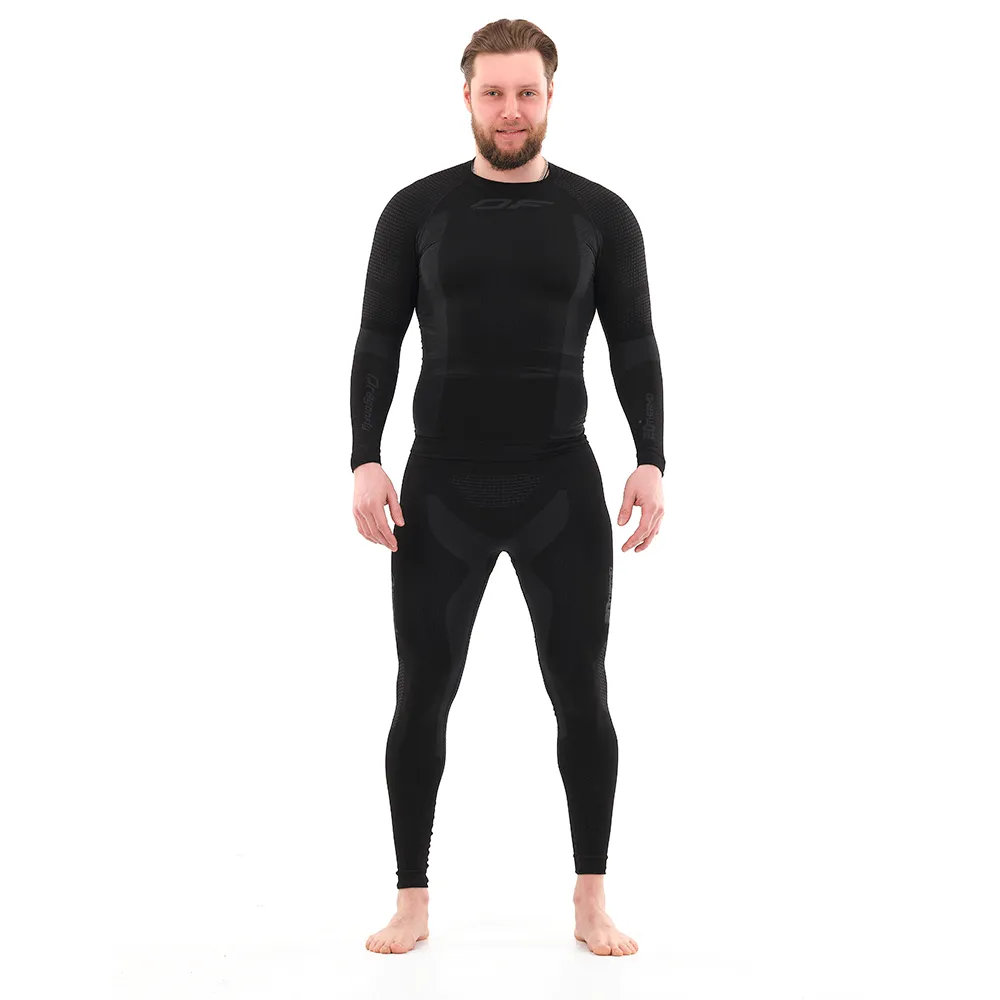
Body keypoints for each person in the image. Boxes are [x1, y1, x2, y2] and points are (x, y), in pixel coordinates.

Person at [351, 19, 663, 957]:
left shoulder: (601, 216)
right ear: (467, 97)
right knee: (422, 692)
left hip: (558, 484)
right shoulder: (417, 211)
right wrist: (364, 456)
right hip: (440, 486)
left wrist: (651, 456)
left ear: (551, 95)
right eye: (494, 92)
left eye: (527, 92)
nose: (511, 110)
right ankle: (412, 899)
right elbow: (376, 339)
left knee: (582, 692)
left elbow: (634, 343)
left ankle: (591, 899)